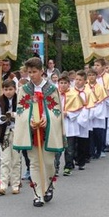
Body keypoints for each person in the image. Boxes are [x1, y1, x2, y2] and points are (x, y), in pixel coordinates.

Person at [13, 57, 66, 208]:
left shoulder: (52, 89)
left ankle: (48, 186)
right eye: (29, 72)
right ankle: (38, 194)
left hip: (47, 131)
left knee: (49, 162)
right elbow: (21, 109)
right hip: (32, 131)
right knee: (34, 162)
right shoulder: (24, 89)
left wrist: (46, 119)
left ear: (42, 71)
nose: (32, 75)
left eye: (34, 72)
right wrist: (28, 120)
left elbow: (56, 110)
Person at [0, 79, 21, 195]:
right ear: (2, 90)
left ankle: (15, 184)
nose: (8, 92)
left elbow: (23, 114)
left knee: (16, 160)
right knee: (5, 160)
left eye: (10, 89)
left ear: (15, 89)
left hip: (17, 131)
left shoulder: (19, 100)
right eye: (6, 89)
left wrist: (14, 115)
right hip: (4, 132)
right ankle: (3, 185)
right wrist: (3, 118)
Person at [57, 74, 85, 177]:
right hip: (58, 124)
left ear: (69, 84)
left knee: (69, 148)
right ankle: (55, 167)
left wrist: (68, 114)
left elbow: (78, 109)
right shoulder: (55, 94)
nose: (63, 85)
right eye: (61, 83)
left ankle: (68, 166)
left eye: (65, 83)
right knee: (57, 147)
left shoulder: (73, 94)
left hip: (69, 124)